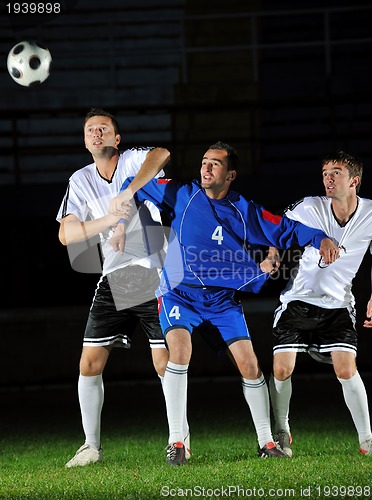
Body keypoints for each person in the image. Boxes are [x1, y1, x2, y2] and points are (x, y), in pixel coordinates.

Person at [108, 141, 339, 464]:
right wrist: (120, 222)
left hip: (221, 300)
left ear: (230, 175)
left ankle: (266, 442)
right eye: (204, 162)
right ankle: (178, 442)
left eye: (215, 164)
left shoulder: (245, 211)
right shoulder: (181, 194)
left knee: (250, 365)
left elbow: (285, 229)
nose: (206, 168)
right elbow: (131, 188)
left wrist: (320, 237)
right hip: (179, 293)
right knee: (180, 351)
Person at [56, 108, 188, 467]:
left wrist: (129, 192)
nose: (96, 133)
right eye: (90, 130)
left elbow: (162, 154)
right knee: (89, 362)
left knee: (164, 362)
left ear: (117, 139)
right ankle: (91, 446)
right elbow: (66, 234)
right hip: (114, 278)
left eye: (103, 129)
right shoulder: (80, 180)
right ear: (85, 140)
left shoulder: (130, 162)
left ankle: (179, 440)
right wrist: (110, 218)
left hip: (152, 273)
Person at [268, 150, 372, 458]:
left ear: (355, 181)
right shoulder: (310, 206)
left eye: (336, 172)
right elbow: (278, 227)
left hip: (338, 303)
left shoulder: (370, 214)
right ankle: (283, 431)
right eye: (326, 171)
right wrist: (273, 255)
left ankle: (367, 439)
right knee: (282, 370)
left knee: (345, 369)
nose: (328, 177)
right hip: (298, 301)